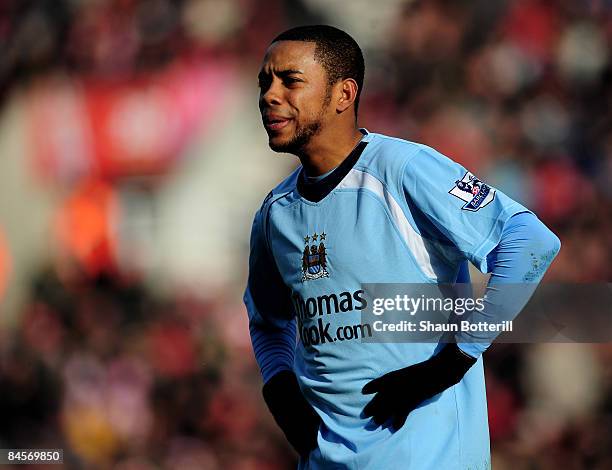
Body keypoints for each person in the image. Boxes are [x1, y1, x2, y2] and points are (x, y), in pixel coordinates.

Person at [244, 25, 560, 469]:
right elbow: (266, 320)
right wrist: (279, 388)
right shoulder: (276, 212)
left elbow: (530, 242)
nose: (269, 95)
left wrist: (452, 362)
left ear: (344, 94)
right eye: (265, 82)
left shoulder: (402, 169)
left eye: (290, 81)